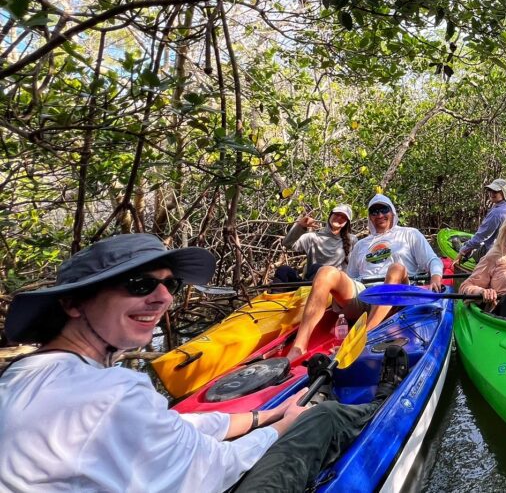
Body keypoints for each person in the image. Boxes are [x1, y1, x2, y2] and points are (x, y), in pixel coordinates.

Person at [0, 234, 405, 492]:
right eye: (139, 285)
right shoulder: (114, 393)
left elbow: (175, 428)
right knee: (327, 417)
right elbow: (214, 470)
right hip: (207, 476)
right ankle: (382, 402)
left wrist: (261, 417)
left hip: (375, 295)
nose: (163, 298)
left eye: (169, 284)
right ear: (72, 302)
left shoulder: (20, 374)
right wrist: (284, 425)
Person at [287, 194, 442, 361]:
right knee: (325, 271)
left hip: (397, 295)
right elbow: (351, 277)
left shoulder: (409, 234)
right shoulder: (361, 244)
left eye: (384, 210)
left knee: (396, 268)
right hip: (364, 294)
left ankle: (361, 340)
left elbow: (433, 260)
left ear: (393, 212)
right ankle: (299, 347)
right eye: (374, 212)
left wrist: (435, 278)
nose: (380, 215)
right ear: (370, 217)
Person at [283, 203, 356, 280]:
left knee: (318, 268)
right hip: (310, 281)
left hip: (335, 282)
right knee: (283, 270)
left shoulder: (352, 240)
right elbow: (287, 243)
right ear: (330, 215)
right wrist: (300, 226)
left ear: (347, 223)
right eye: (337, 214)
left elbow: (357, 265)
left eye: (343, 217)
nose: (339, 218)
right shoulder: (312, 237)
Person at [454, 178, 506, 268]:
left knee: (465, 246)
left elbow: (482, 236)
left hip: (494, 253)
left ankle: (461, 248)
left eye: (496, 191)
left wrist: (462, 252)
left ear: (504, 192)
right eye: (490, 190)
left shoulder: (496, 213)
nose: (492, 193)